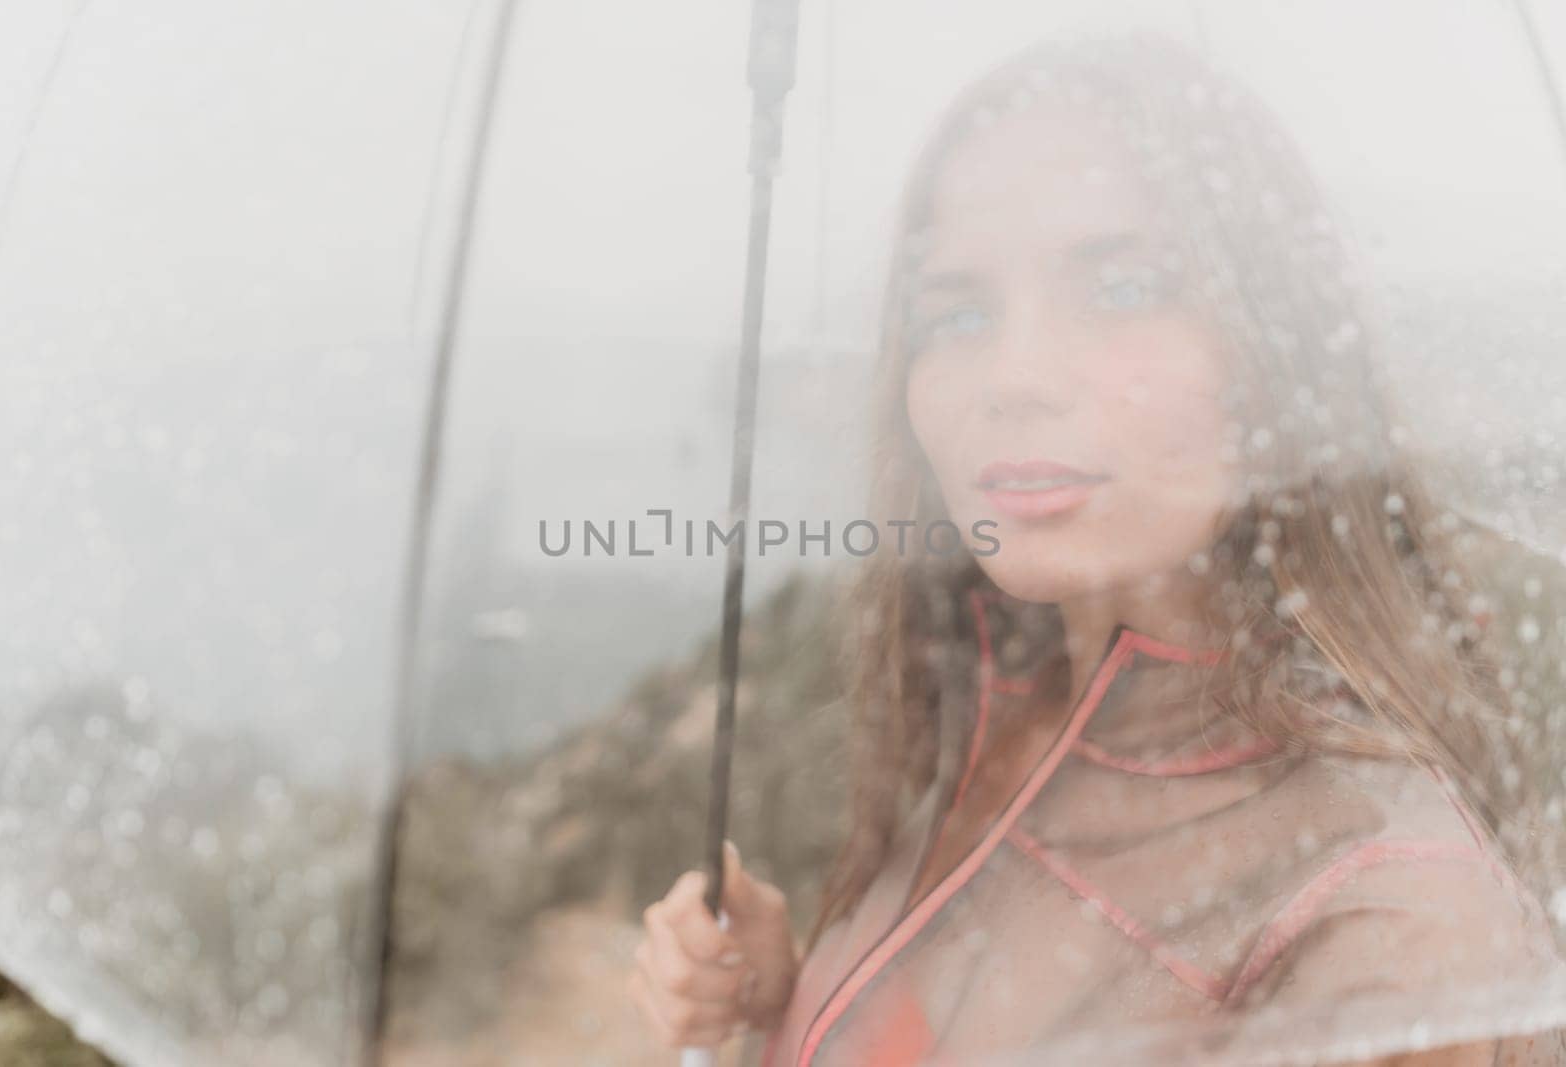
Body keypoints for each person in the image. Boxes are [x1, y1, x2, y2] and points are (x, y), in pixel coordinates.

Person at [628, 34, 1566, 1066]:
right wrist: (783, 1010)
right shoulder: (988, 708)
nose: (1012, 374)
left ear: (1272, 353)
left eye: (1122, 290)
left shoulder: (1387, 925)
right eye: (958, 312)